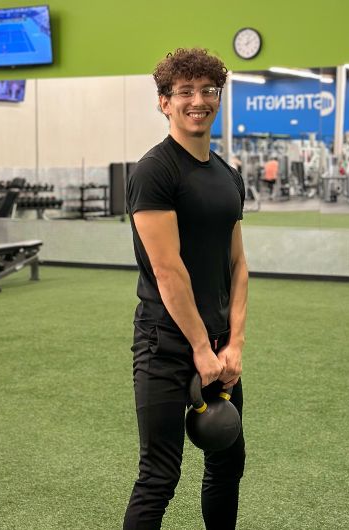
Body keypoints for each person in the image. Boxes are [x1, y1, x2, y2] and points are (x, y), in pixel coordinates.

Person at [123, 48, 248, 530]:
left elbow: (238, 264)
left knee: (227, 460)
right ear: (164, 102)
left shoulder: (228, 175)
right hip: (166, 343)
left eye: (208, 90)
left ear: (218, 96)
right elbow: (168, 271)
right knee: (159, 475)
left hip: (217, 345)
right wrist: (200, 348)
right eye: (185, 92)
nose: (198, 101)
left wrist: (233, 344)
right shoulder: (155, 171)